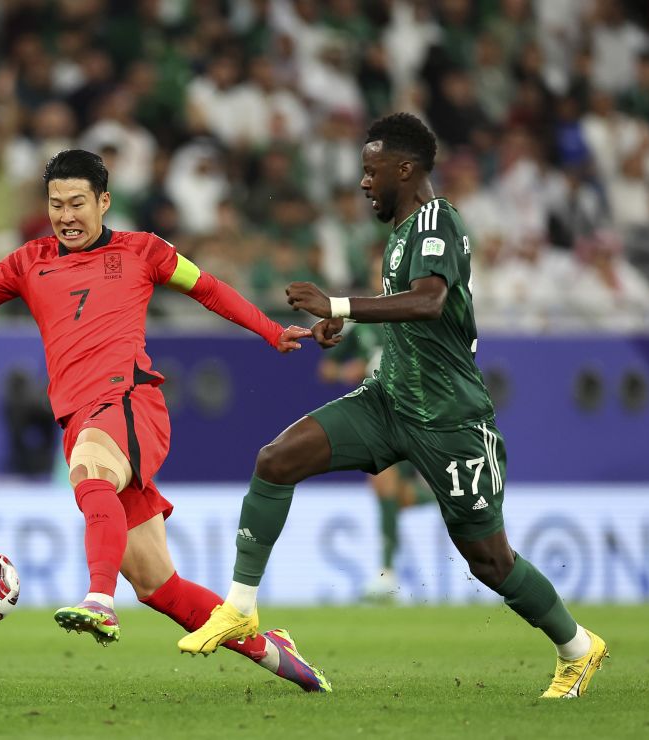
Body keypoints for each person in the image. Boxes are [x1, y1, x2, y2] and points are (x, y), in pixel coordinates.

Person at [178, 114, 609, 700]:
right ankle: (241, 607)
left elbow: (429, 303)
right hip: (389, 400)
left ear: (404, 170)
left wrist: (337, 300)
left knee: (490, 560)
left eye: (370, 170)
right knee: (276, 460)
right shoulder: (402, 234)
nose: (362, 182)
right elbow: (400, 310)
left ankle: (578, 648)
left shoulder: (439, 220)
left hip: (450, 418)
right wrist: (341, 321)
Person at [0, 149, 329, 692]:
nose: (66, 216)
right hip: (79, 415)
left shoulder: (144, 250)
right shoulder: (29, 261)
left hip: (128, 401)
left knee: (89, 470)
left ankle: (99, 600)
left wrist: (269, 329)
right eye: (55, 205)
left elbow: (206, 286)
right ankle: (273, 652)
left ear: (104, 202)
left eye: (77, 203)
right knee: (159, 586)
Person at [316, 309, 436, 602]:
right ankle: (387, 574)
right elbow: (326, 369)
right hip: (376, 416)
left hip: (410, 414)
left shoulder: (414, 320)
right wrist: (347, 372)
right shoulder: (362, 327)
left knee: (396, 493)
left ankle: (449, 499)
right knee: (387, 488)